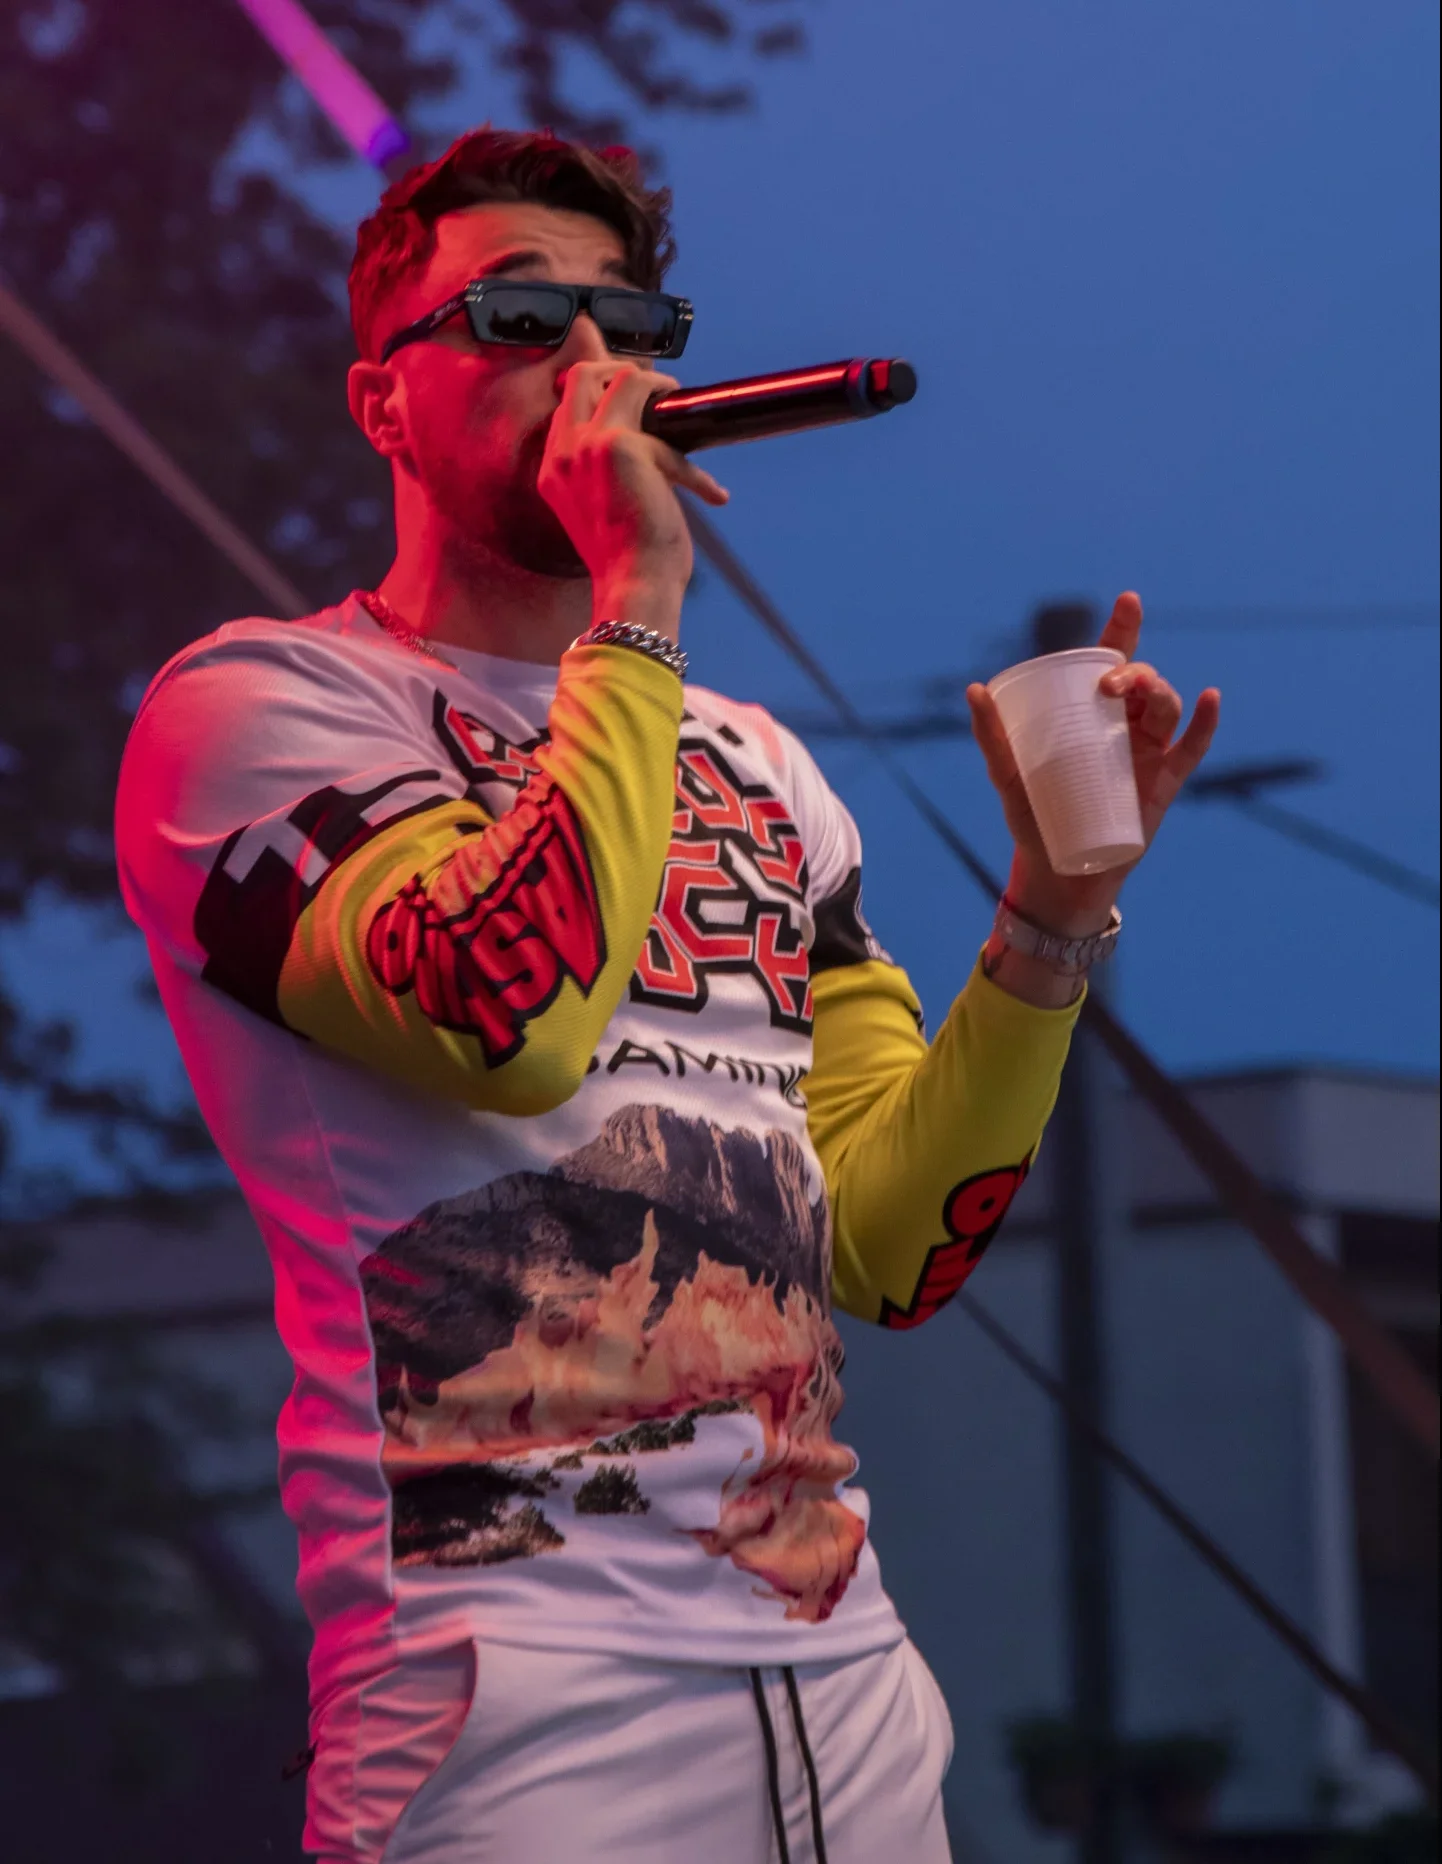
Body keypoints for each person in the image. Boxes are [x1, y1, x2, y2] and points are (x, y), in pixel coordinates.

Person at [114, 127, 1219, 1864]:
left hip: (840, 1673)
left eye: (624, 323)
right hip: (515, 1689)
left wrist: (1050, 917)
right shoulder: (257, 710)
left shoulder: (759, 767)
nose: (585, 359)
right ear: (380, 400)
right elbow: (507, 1022)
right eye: (514, 315)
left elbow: (885, 1247)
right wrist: (631, 600)